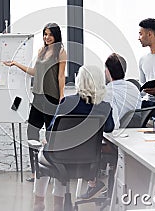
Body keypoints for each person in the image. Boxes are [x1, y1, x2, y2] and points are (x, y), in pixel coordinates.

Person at [32, 65, 114, 211]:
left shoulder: (67, 103)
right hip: (88, 163)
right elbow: (109, 128)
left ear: (79, 81)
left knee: (46, 157)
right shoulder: (105, 107)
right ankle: (58, 206)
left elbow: (50, 133)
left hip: (60, 160)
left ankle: (39, 203)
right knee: (59, 158)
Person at [3, 22, 67, 182]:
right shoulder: (41, 51)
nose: (47, 37)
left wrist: (61, 97)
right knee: (31, 133)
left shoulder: (60, 52)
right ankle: (35, 171)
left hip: (51, 97)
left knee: (51, 135)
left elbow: (60, 76)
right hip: (37, 97)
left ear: (56, 36)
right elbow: (35, 72)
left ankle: (52, 170)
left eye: (50, 34)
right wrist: (16, 64)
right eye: (45, 34)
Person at [79, 53, 142, 200]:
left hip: (116, 142)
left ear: (107, 71)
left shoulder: (105, 93)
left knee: (87, 143)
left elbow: (110, 126)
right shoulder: (134, 88)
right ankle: (105, 188)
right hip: (135, 141)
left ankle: (93, 183)